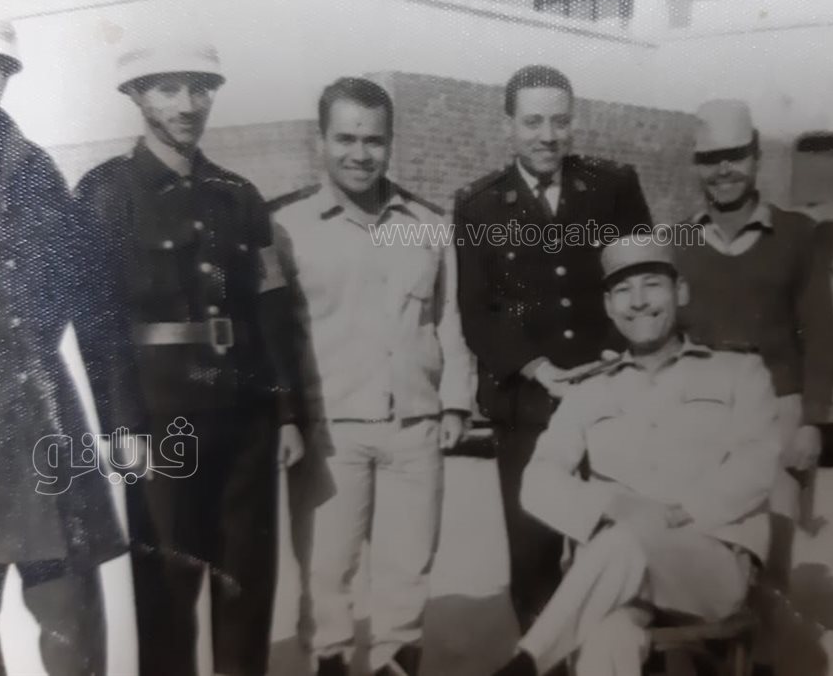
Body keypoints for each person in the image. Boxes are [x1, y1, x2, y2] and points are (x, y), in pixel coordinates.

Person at [74, 43, 305, 676]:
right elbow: (99, 323)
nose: (187, 105)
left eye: (200, 89)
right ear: (136, 96)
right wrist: (122, 425)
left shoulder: (239, 194)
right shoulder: (105, 193)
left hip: (245, 415)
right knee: (167, 592)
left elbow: (270, 311)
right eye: (168, 89)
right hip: (161, 415)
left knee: (247, 584)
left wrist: (286, 413)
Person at [0, 19, 140, 676]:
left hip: (46, 431)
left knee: (74, 622)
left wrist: (120, 419)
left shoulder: (33, 168)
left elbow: (93, 302)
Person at [489, 233, 781, 676]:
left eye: (652, 285)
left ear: (680, 291)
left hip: (706, 568)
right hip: (616, 578)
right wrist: (614, 505)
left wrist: (679, 514)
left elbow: (757, 464)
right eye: (623, 290)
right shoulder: (590, 388)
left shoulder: (738, 371)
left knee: (628, 538)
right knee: (608, 637)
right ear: (609, 306)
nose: (639, 301)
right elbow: (538, 479)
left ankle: (526, 664)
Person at [270, 77, 474, 676]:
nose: (360, 154)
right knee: (326, 574)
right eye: (346, 139)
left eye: (374, 141)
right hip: (331, 430)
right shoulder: (285, 227)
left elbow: (449, 317)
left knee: (407, 574)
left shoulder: (427, 223)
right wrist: (286, 418)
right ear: (321, 141)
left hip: (415, 424)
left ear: (391, 144)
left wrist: (455, 402)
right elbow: (275, 334)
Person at [453, 64, 653, 633]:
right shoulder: (480, 206)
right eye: (533, 122)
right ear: (508, 126)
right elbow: (478, 309)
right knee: (534, 555)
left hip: (611, 395)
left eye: (560, 122)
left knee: (621, 544)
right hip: (528, 404)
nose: (548, 136)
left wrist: (615, 354)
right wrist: (537, 367)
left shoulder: (613, 187)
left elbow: (640, 280)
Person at [673, 98, 833, 676]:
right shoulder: (679, 242)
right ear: (697, 165)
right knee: (706, 545)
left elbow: (820, 333)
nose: (723, 170)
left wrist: (812, 421)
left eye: (735, 156)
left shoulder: (797, 235)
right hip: (704, 414)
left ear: (756, 156)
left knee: (771, 549)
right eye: (710, 158)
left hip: (777, 411)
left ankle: (761, 663)